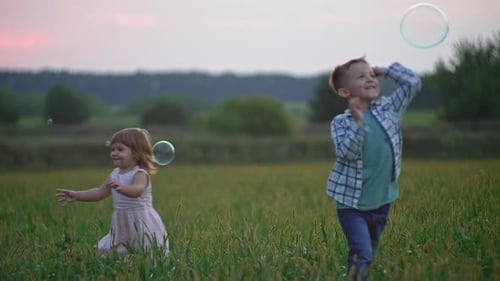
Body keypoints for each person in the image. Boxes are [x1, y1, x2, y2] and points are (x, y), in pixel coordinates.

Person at [326, 56, 421, 280]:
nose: (369, 79)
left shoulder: (389, 109)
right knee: (363, 253)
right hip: (351, 205)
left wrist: (385, 71)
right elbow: (346, 153)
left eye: (371, 75)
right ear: (344, 92)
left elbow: (413, 83)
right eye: (361, 76)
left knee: (368, 254)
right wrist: (359, 124)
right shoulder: (341, 122)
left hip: (381, 202)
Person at [56, 128, 169, 258]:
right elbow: (100, 192)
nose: (114, 153)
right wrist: (77, 195)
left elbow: (137, 190)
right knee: (118, 250)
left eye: (120, 149)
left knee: (144, 250)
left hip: (141, 220)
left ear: (136, 153)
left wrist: (122, 187)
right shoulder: (114, 174)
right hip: (122, 221)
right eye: (113, 149)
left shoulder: (140, 173)